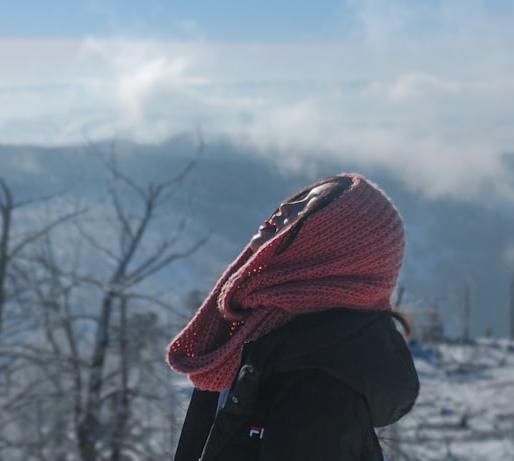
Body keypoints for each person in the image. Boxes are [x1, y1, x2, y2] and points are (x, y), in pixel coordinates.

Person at [167, 173, 419, 461]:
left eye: (306, 207)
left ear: (329, 246)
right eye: (296, 199)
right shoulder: (257, 336)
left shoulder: (319, 389)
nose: (284, 208)